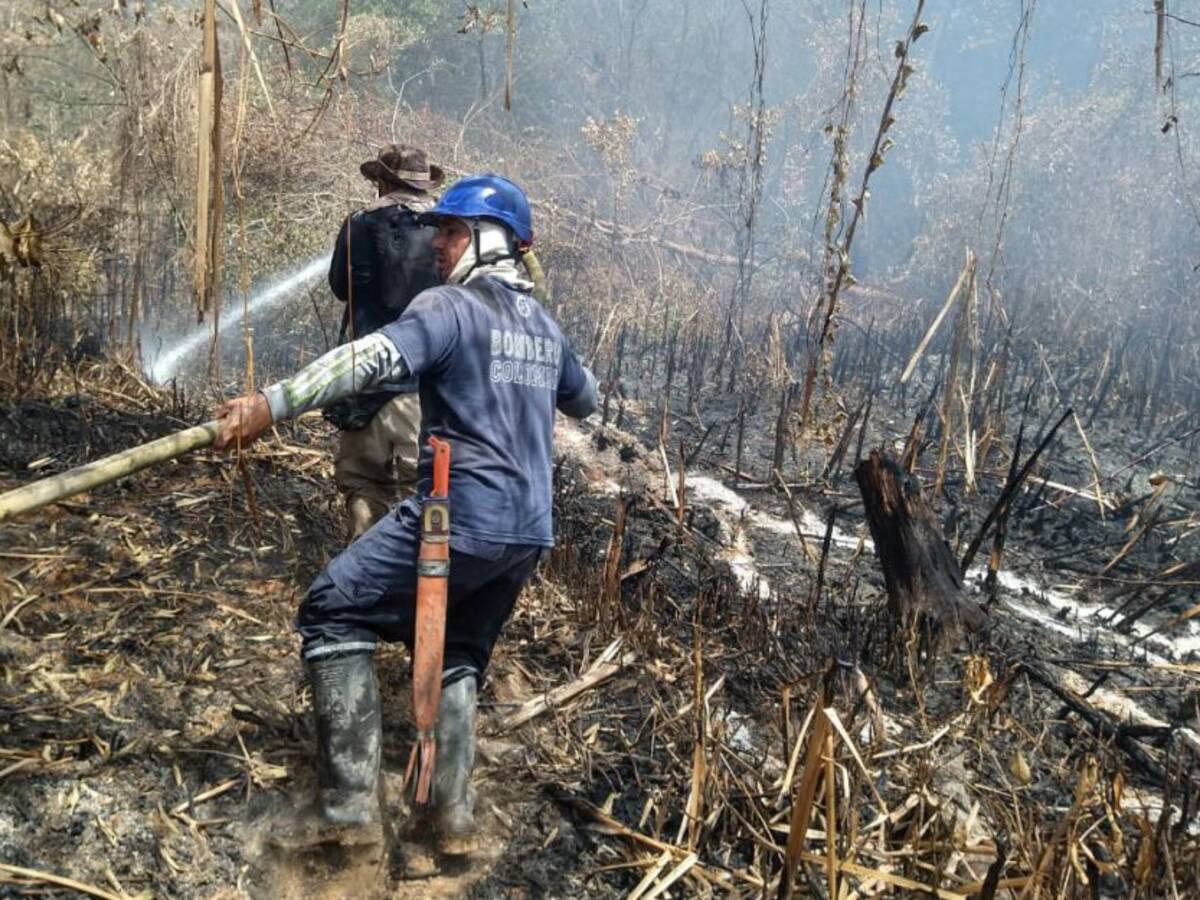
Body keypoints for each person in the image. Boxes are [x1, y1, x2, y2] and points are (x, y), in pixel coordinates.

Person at [212, 175, 598, 855]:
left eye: (452, 232)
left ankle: (347, 816)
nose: (439, 245)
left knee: (333, 608)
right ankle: (449, 821)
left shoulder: (449, 308)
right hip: (528, 531)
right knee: (458, 654)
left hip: (461, 515)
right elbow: (585, 399)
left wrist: (269, 405)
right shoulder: (544, 325)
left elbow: (371, 358)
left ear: (493, 241)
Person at [327, 143, 443, 539]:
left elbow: (341, 288)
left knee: (362, 483)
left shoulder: (359, 224)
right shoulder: (445, 233)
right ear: (422, 186)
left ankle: (361, 573)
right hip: (424, 387)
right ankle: (420, 585)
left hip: (367, 380)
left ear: (381, 182)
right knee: (424, 490)